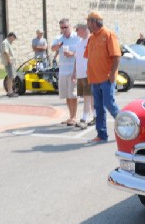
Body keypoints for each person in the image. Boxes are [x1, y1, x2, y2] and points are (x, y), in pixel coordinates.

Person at [84, 11, 121, 143]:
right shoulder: (91, 38)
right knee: (98, 108)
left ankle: (128, 126)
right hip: (94, 79)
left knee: (109, 104)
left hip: (106, 78)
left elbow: (116, 56)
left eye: (88, 21)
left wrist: (112, 74)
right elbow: (89, 57)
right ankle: (101, 134)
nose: (87, 24)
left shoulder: (108, 35)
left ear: (94, 22)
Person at [51, 18, 79, 126]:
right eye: (62, 28)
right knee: (67, 95)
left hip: (73, 70)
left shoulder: (76, 38)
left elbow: (82, 52)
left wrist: (72, 54)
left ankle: (74, 117)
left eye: (66, 27)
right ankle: (70, 116)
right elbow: (52, 49)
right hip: (63, 70)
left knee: (73, 94)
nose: (64, 29)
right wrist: (57, 46)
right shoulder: (59, 38)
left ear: (70, 26)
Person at [72, 22, 94, 129]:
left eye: (77, 29)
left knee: (87, 96)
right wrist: (74, 73)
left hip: (88, 73)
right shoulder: (79, 42)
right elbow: (77, 59)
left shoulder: (91, 40)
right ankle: (95, 116)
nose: (76, 32)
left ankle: (84, 119)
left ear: (84, 29)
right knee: (90, 97)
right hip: (80, 74)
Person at [0, 32, 19, 98]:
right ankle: (10, 92)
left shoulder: (8, 43)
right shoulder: (5, 42)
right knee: (10, 77)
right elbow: (6, 52)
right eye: (14, 38)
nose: (13, 40)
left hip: (10, 62)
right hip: (9, 62)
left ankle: (10, 91)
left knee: (10, 76)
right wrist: (9, 61)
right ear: (11, 36)